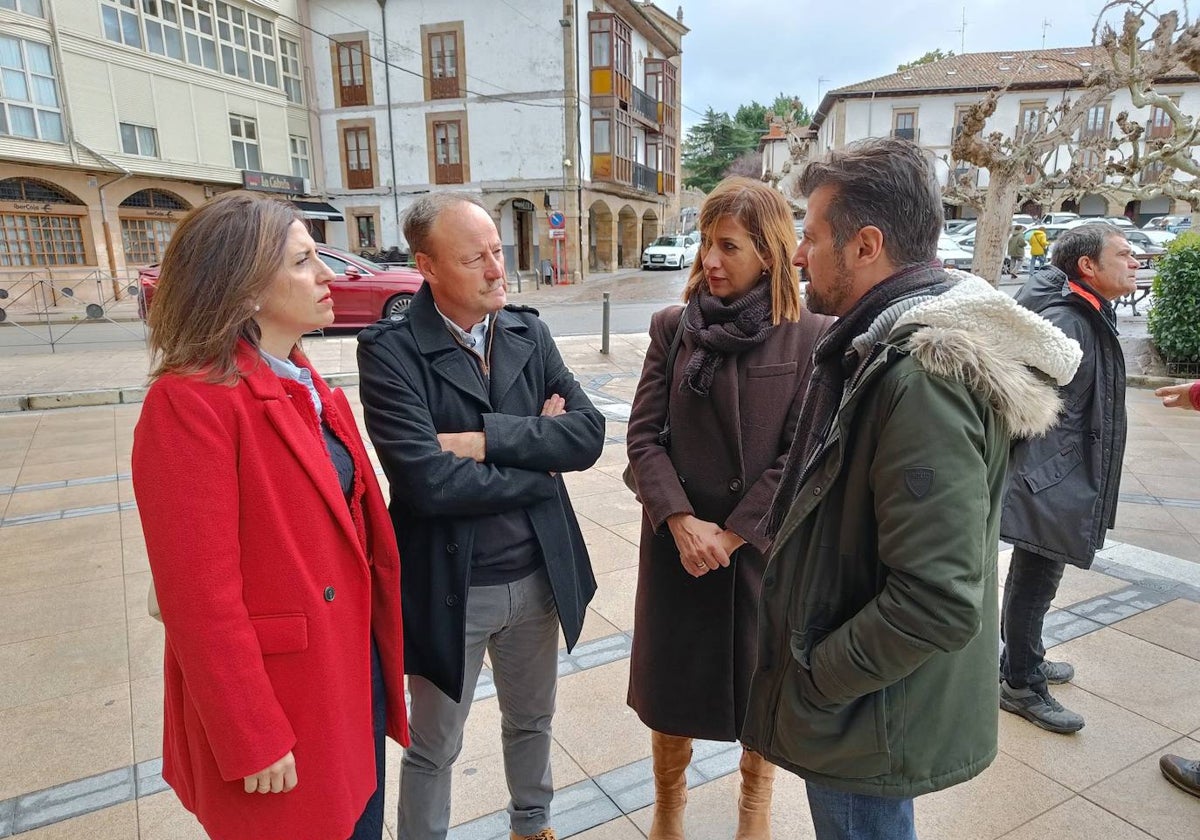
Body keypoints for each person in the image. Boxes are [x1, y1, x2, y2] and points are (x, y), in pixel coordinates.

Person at [740, 137, 1082, 840]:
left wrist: (815, 676)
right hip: (866, 706)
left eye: (810, 236)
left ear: (865, 245)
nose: (798, 255)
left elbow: (934, 600)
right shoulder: (884, 345)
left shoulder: (919, 377)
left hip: (865, 714)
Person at [132, 191, 407, 840]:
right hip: (283, 699)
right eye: (305, 261)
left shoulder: (305, 382)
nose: (330, 275)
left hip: (345, 673)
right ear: (245, 286)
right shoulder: (192, 402)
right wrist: (249, 733)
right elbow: (199, 597)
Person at [356, 194, 605, 840]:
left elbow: (586, 435)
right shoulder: (390, 353)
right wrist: (537, 460)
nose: (498, 269)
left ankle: (533, 825)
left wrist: (485, 441)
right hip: (451, 589)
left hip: (538, 578)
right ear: (428, 266)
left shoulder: (528, 331)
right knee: (435, 745)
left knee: (533, 720)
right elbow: (429, 483)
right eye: (476, 258)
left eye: (497, 251)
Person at [625, 177, 832, 840]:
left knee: (760, 687)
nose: (709, 259)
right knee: (672, 693)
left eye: (728, 246)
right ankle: (668, 806)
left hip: (757, 552)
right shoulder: (672, 327)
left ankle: (754, 806)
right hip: (678, 547)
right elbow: (643, 435)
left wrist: (735, 535)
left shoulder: (809, 337)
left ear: (769, 254)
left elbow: (801, 452)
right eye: (706, 244)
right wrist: (682, 522)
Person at [998, 223, 1138, 734]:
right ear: (1088, 266)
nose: (1135, 260)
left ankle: (1021, 655)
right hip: (1051, 478)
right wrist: (1050, 473)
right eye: (1123, 254)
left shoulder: (1086, 310)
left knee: (1035, 578)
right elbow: (1022, 403)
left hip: (1057, 474)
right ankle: (1021, 683)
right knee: (1036, 582)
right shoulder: (1068, 319)